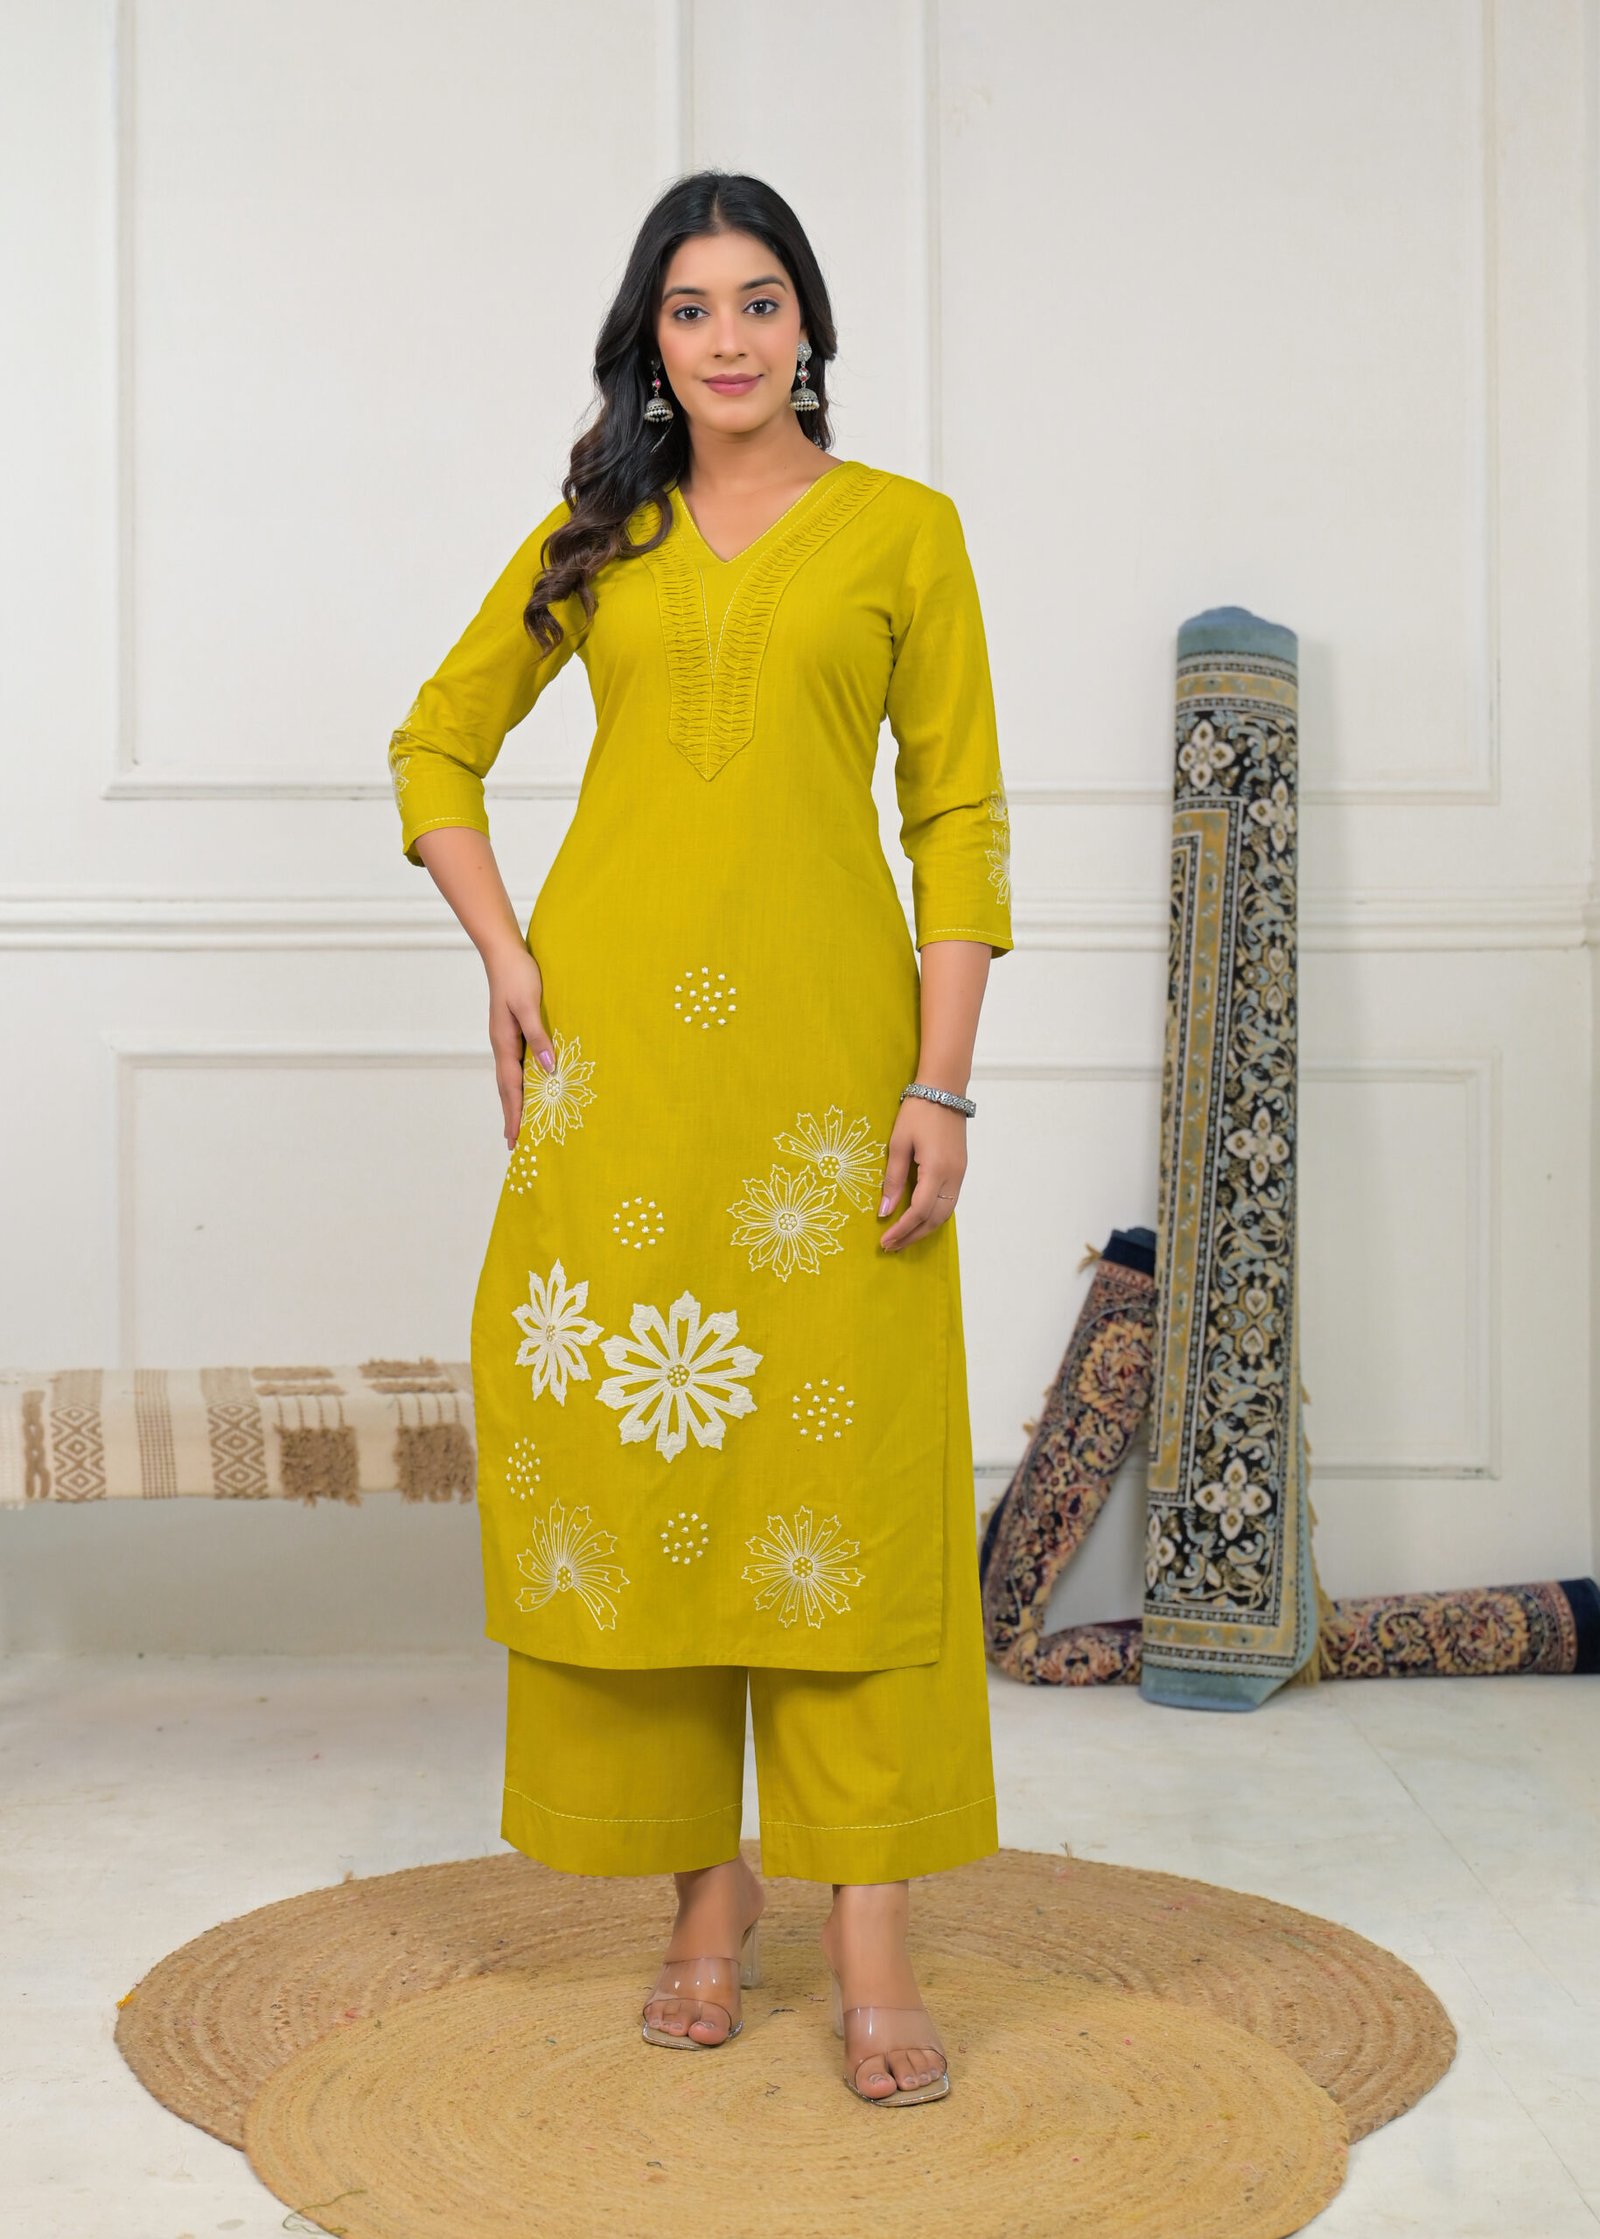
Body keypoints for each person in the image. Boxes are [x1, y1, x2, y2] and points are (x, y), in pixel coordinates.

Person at [387, 168, 1014, 2106]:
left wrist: (938, 1081)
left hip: (830, 1092)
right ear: (648, 344)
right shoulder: (602, 535)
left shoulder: (902, 532)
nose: (726, 338)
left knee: (845, 1489)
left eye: (757, 301)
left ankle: (871, 1932)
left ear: (805, 324)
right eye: (689, 308)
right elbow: (434, 744)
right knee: (650, 1476)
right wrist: (507, 956)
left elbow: (959, 819)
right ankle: (703, 1896)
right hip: (621, 1089)